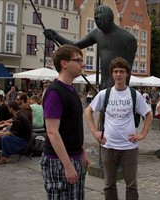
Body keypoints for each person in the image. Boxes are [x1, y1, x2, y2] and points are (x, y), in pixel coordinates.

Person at [85, 57, 153, 200]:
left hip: (129, 147)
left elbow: (148, 114)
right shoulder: (105, 94)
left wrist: (143, 134)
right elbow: (88, 111)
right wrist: (94, 131)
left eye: (122, 71)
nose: (118, 75)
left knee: (131, 185)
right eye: (115, 71)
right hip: (109, 146)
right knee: (109, 184)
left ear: (127, 73)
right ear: (112, 73)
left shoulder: (134, 95)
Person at [43, 5, 137, 90]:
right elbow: (75, 45)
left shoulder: (128, 39)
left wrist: (122, 89)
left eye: (99, 15)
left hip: (117, 82)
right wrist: (56, 36)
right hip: (104, 82)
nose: (96, 18)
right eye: (95, 16)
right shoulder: (97, 33)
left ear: (109, 17)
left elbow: (128, 69)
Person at [41, 44, 91, 199]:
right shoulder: (55, 92)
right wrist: (68, 166)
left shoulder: (72, 91)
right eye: (78, 60)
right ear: (64, 63)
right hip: (59, 161)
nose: (82, 64)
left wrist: (82, 151)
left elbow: (75, 127)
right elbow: (52, 132)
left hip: (74, 157)